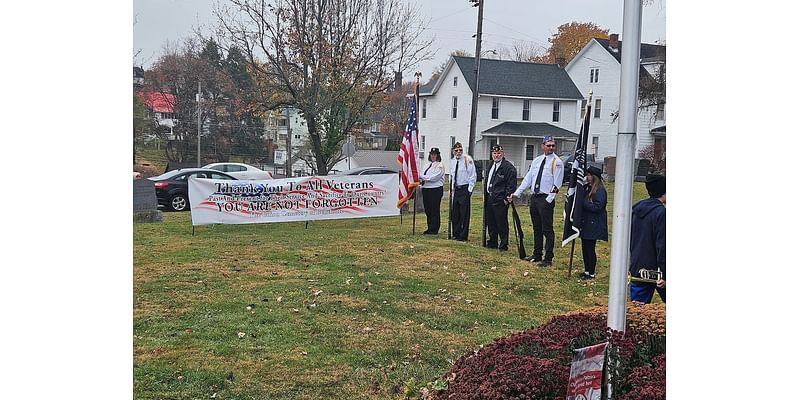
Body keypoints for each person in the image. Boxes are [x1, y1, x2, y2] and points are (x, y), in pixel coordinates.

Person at [508, 135, 564, 266]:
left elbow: (558, 183)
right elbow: (528, 178)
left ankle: (548, 257)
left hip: (545, 198)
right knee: (536, 228)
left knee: (547, 229)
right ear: (542, 146)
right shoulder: (537, 160)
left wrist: (549, 199)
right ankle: (537, 253)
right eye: (548, 145)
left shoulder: (557, 162)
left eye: (553, 145)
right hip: (535, 197)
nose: (551, 148)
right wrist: (517, 193)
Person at [629, 174, 666, 303]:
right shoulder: (661, 213)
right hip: (657, 271)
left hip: (638, 266)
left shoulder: (635, 210)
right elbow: (663, 245)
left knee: (637, 311)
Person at [483, 145, 517, 251]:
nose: (496, 155)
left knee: (501, 222)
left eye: (499, 153)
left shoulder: (508, 167)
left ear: (503, 154)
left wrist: (506, 199)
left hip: (500, 199)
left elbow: (511, 185)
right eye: (494, 153)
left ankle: (503, 244)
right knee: (491, 221)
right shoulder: (491, 165)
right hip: (490, 197)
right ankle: (492, 241)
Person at [578, 166, 608, 280]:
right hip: (586, 223)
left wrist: (583, 203)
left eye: (589, 175)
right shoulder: (588, 188)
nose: (587, 177)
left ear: (594, 177)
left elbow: (598, 206)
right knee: (585, 247)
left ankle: (591, 272)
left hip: (594, 223)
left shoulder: (600, 190)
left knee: (590, 248)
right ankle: (586, 270)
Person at [449, 142, 476, 241]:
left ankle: (463, 235)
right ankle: (456, 233)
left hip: (465, 189)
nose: (458, 152)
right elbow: (451, 176)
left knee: (464, 213)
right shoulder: (452, 161)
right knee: (455, 213)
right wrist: (451, 189)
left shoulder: (467, 160)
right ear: (453, 152)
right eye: (456, 150)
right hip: (456, 189)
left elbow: (472, 175)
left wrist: (470, 190)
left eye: (460, 150)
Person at [420, 148, 445, 234]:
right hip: (426, 189)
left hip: (435, 189)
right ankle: (430, 227)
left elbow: (434, 178)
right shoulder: (426, 165)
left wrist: (422, 177)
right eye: (432, 154)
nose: (433, 156)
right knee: (428, 209)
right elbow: (423, 175)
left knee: (434, 209)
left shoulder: (440, 165)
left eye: (435, 154)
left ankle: (434, 228)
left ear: (438, 155)